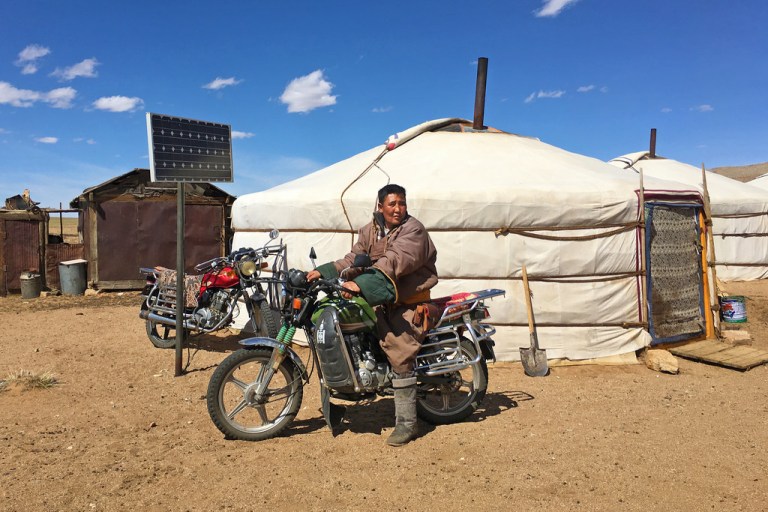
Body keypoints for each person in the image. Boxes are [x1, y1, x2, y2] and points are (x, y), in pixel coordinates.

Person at [306, 184, 438, 446]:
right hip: (379, 299)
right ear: (380, 206)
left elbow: (395, 260)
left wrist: (361, 284)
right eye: (392, 204)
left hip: (405, 301)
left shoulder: (414, 230)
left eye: (401, 203)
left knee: (399, 350)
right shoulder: (371, 230)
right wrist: (323, 272)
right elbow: (354, 258)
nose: (398, 209)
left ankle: (407, 424)